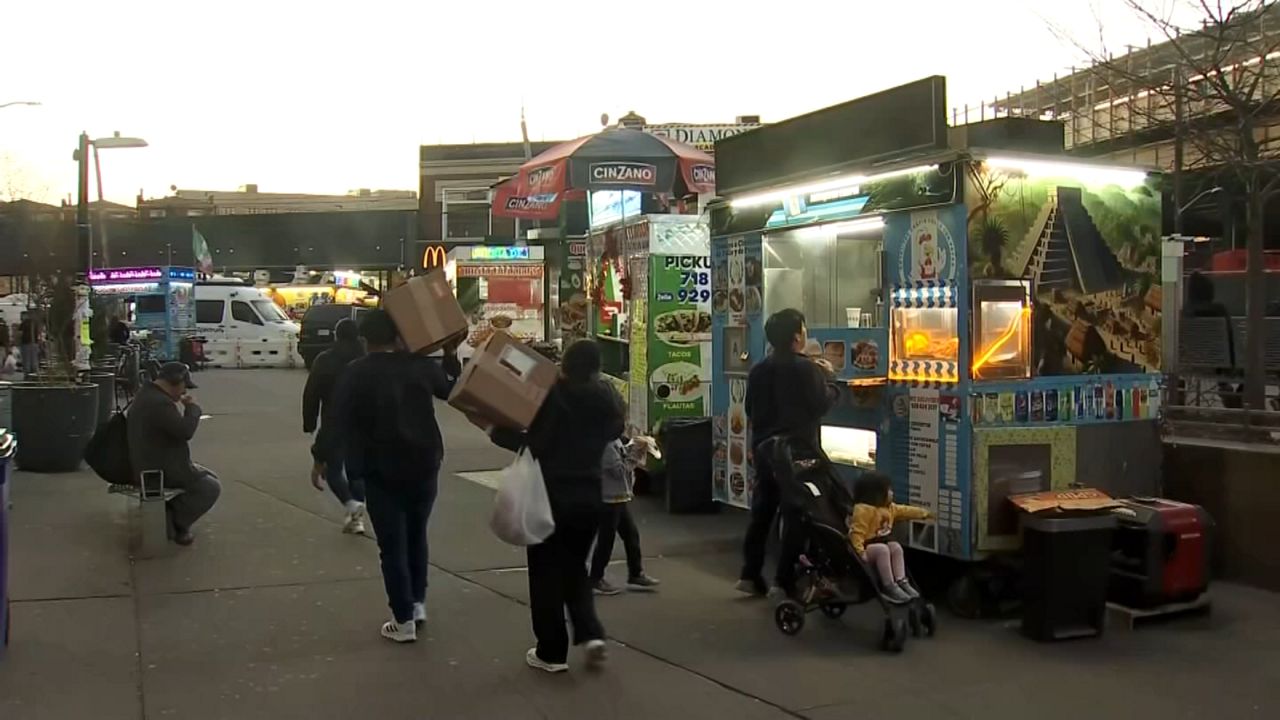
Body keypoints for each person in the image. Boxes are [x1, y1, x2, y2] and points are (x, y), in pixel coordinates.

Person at [486, 339, 624, 673]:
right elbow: (616, 429)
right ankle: (591, 635)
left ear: (565, 363)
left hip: (548, 495)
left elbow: (528, 440)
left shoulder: (551, 395)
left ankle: (551, 652)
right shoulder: (606, 399)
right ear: (597, 368)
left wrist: (494, 430)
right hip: (590, 496)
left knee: (545, 571)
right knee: (576, 567)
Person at [334, 310, 461, 643]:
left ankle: (402, 619)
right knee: (417, 535)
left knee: (392, 545)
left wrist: (322, 458)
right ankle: (417, 605)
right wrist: (450, 354)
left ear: (365, 339)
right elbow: (451, 389)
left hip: (380, 469)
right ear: (397, 335)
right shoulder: (420, 366)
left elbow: (338, 418)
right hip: (424, 464)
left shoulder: (356, 373)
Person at [738, 308, 838, 599]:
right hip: (797, 453)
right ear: (797, 337)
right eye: (804, 330)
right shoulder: (806, 368)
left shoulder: (758, 369)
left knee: (763, 511)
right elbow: (820, 404)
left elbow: (750, 409)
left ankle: (749, 574)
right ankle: (783, 581)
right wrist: (831, 382)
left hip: (765, 449)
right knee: (798, 513)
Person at [126, 362, 221, 546]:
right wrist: (192, 409)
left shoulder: (147, 395)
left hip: (149, 461)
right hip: (159, 468)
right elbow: (185, 431)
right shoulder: (159, 403)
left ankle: (172, 515)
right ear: (175, 381)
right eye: (184, 386)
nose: (184, 392)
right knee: (210, 488)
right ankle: (173, 522)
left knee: (208, 476)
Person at [303, 318, 368, 533]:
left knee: (333, 470)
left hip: (334, 420)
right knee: (356, 471)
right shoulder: (365, 359)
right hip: (363, 422)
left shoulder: (325, 360)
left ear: (335, 335)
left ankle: (351, 504)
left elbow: (311, 394)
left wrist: (309, 422)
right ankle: (357, 518)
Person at [589, 437, 660, 595]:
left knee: (631, 534)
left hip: (619, 497)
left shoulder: (614, 441)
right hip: (610, 499)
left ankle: (636, 573)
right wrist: (635, 456)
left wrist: (634, 449)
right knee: (606, 540)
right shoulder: (607, 446)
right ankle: (595, 578)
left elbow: (622, 456)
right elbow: (619, 471)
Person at [848, 473, 932, 604]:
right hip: (866, 546)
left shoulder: (889, 508)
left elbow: (905, 510)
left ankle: (901, 580)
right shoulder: (863, 510)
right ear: (876, 493)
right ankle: (888, 586)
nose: (892, 493)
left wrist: (924, 513)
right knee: (883, 550)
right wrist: (860, 552)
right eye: (889, 490)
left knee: (895, 547)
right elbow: (856, 533)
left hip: (882, 543)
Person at [1184, 271, 1241, 408]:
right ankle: (1231, 393)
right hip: (1219, 364)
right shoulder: (1219, 310)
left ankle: (1179, 398)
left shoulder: (1184, 313)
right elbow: (1231, 339)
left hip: (1190, 364)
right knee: (1251, 366)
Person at [18, 311, 39, 379]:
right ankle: (34, 375)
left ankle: (27, 376)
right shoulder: (35, 323)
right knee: (34, 360)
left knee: (26, 360)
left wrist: (18, 342)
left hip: (25, 343)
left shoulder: (24, 323)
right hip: (35, 343)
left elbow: (20, 334)